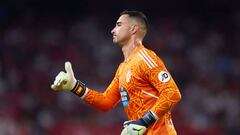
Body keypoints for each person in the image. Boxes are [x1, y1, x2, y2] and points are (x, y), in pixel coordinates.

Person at [51, 10, 182, 135]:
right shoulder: (122, 69)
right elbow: (106, 102)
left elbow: (172, 93)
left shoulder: (145, 58)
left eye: (119, 25)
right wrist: (75, 87)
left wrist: (143, 122)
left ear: (133, 29)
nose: (113, 30)